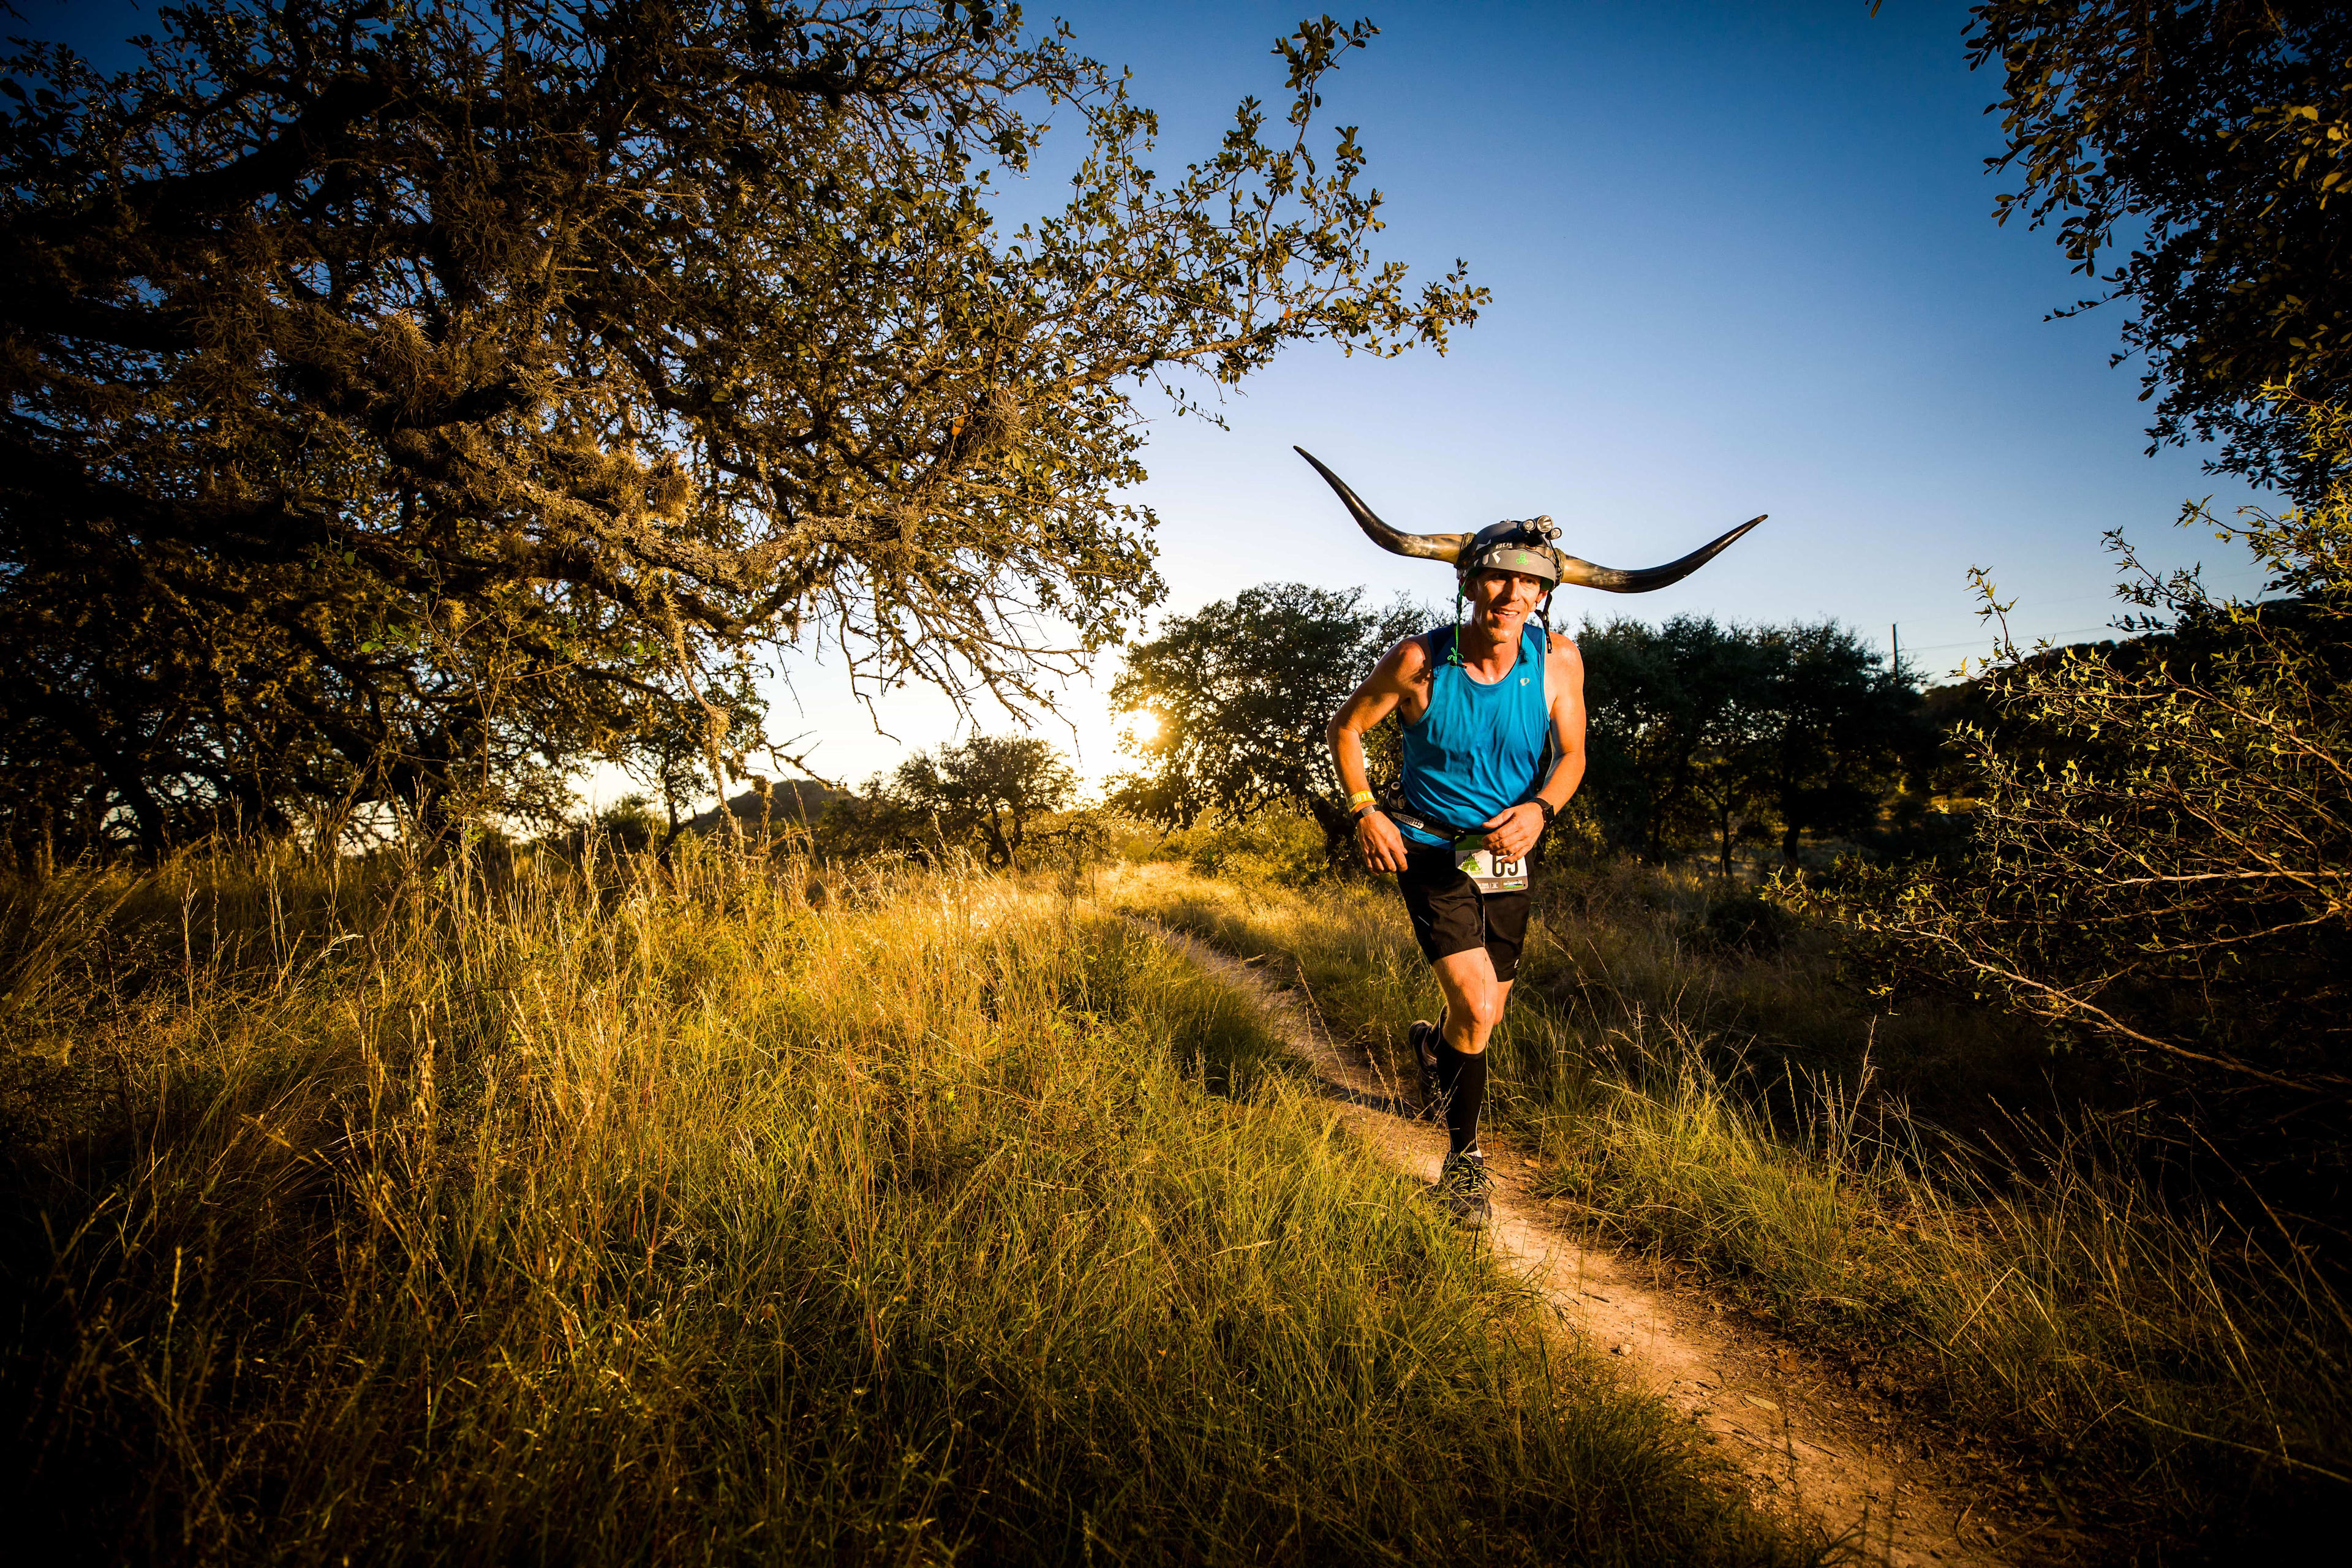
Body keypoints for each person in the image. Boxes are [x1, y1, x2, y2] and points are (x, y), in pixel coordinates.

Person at [1326, 524, 1586, 1227]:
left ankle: (1429, 1051)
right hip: (1431, 850)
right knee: (1476, 1006)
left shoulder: (1560, 661)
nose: (1512, 595)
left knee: (1486, 1015)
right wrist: (1365, 810)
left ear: (1543, 593)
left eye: (1530, 582)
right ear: (1469, 583)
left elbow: (1572, 756)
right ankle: (1464, 1167)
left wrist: (1541, 808)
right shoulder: (1419, 660)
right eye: (1498, 578)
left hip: (1504, 854)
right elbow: (1346, 728)